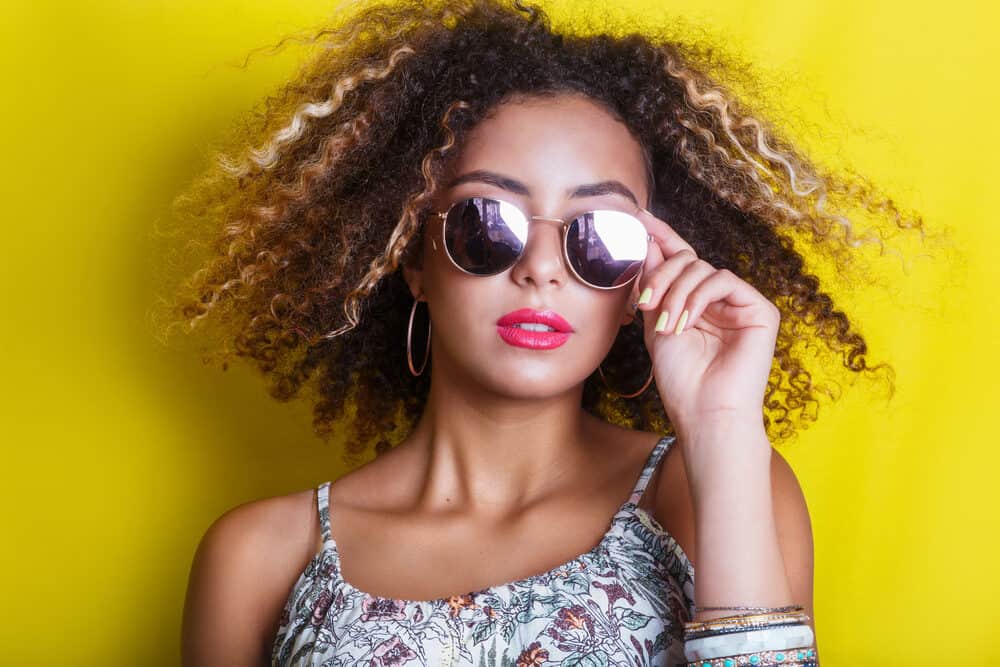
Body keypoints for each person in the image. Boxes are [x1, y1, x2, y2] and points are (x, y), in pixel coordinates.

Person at [168, 0, 912, 664]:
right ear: (411, 258)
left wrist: (722, 428)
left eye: (601, 237)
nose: (541, 269)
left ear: (637, 286)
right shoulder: (260, 558)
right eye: (486, 223)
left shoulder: (716, 488)